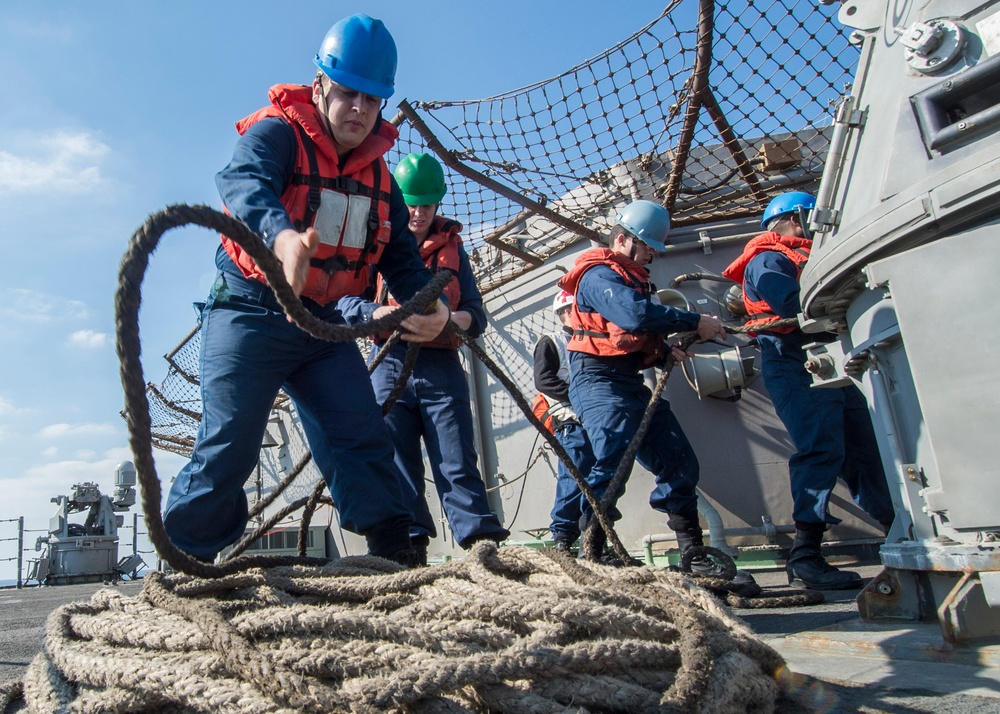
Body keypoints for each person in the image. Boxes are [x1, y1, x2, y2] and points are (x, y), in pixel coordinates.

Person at [162, 14, 450, 567]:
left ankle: (394, 554)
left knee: (359, 432)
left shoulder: (381, 180)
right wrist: (284, 238)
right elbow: (242, 182)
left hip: (322, 327)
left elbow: (401, 259)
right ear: (319, 86)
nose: (360, 110)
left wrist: (427, 305)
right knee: (231, 441)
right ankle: (186, 564)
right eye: (348, 94)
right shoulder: (279, 133)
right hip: (249, 309)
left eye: (372, 99)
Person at [340, 152, 509, 565]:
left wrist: (449, 319)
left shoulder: (454, 249)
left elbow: (477, 314)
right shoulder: (370, 241)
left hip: (440, 368)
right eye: (410, 203)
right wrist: (374, 314)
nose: (416, 213)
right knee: (395, 460)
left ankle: (480, 544)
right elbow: (343, 302)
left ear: (438, 205)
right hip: (387, 362)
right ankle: (408, 546)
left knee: (456, 456)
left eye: (426, 205)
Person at [722, 191, 895, 589]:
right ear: (795, 219)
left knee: (864, 450)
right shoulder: (769, 258)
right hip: (795, 364)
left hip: (827, 363)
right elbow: (793, 303)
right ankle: (806, 556)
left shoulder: (800, 255)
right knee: (820, 449)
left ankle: (902, 529)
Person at [557, 200, 733, 575]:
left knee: (679, 460)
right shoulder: (598, 275)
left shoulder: (626, 278)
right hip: (597, 380)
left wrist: (661, 350)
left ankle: (693, 552)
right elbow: (633, 314)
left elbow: (628, 331)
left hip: (626, 381)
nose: (651, 255)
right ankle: (595, 550)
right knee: (612, 465)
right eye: (648, 246)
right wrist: (694, 320)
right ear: (623, 240)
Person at [533, 290, 596, 553]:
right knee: (573, 478)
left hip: (595, 421)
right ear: (567, 312)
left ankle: (594, 538)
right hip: (572, 424)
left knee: (598, 481)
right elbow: (543, 380)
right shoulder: (553, 341)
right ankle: (563, 537)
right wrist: (578, 397)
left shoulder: (592, 339)